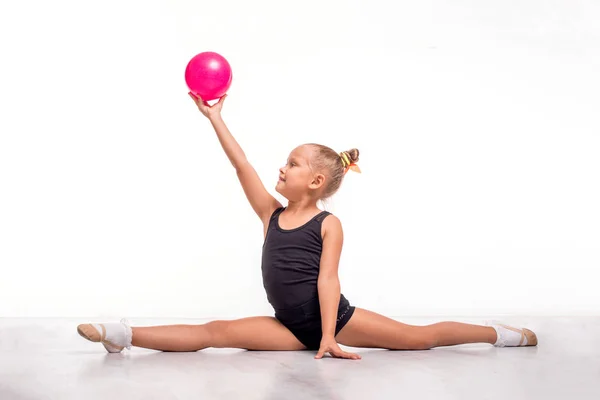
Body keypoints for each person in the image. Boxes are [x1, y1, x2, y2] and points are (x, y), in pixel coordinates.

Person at [77, 93, 538, 360]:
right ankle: (123, 335)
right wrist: (216, 118)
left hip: (333, 321)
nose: (282, 168)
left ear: (315, 180)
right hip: (288, 325)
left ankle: (498, 334)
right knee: (215, 332)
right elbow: (242, 168)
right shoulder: (270, 214)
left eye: (292, 164)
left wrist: (330, 338)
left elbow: (328, 280)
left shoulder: (328, 224)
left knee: (420, 339)